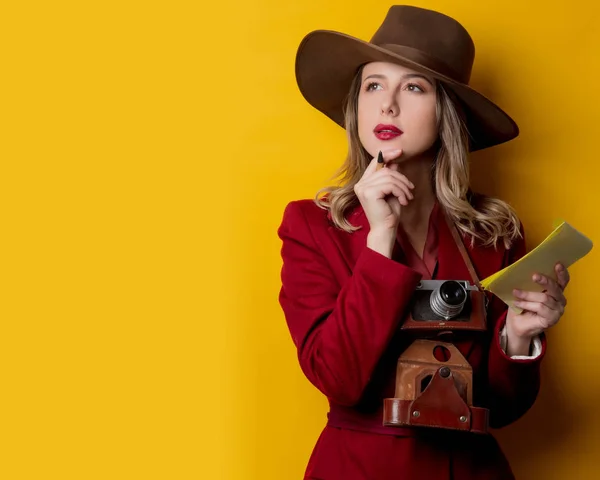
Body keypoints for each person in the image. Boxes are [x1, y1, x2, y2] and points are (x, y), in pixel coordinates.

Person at [277, 5, 569, 480]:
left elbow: (504, 409)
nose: (387, 105)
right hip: (357, 467)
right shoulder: (312, 226)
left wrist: (517, 338)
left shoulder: (494, 233)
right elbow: (339, 380)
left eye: (413, 87)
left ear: (447, 112)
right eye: (373, 85)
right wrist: (380, 240)